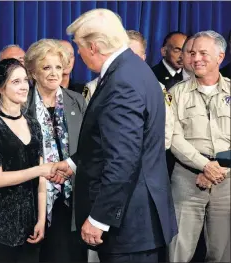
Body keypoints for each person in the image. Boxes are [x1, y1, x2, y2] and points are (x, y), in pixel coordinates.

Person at [52, 9, 178, 262]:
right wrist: (73, 163)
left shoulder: (122, 82)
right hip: (136, 218)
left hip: (129, 223)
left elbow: (123, 160)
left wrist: (100, 218)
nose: (78, 54)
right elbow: (111, 140)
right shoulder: (133, 69)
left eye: (79, 47)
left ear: (95, 47)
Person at [0, 58, 53, 262]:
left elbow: (41, 179)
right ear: (0, 88)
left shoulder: (33, 124)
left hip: (30, 225)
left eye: (25, 80)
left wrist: (41, 219)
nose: (24, 86)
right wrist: (39, 170)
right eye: (15, 82)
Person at [168, 30, 230, 263]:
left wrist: (218, 169)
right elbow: (173, 138)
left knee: (222, 253)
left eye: (204, 53)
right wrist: (204, 166)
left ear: (220, 57)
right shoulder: (176, 93)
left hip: (227, 182)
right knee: (178, 253)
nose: (196, 58)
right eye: (192, 53)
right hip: (187, 180)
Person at [24, 38, 87, 262]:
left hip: (73, 193)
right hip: (34, 194)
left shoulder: (77, 101)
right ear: (32, 72)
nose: (53, 73)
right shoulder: (22, 104)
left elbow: (90, 145)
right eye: (46, 67)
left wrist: (68, 168)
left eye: (58, 67)